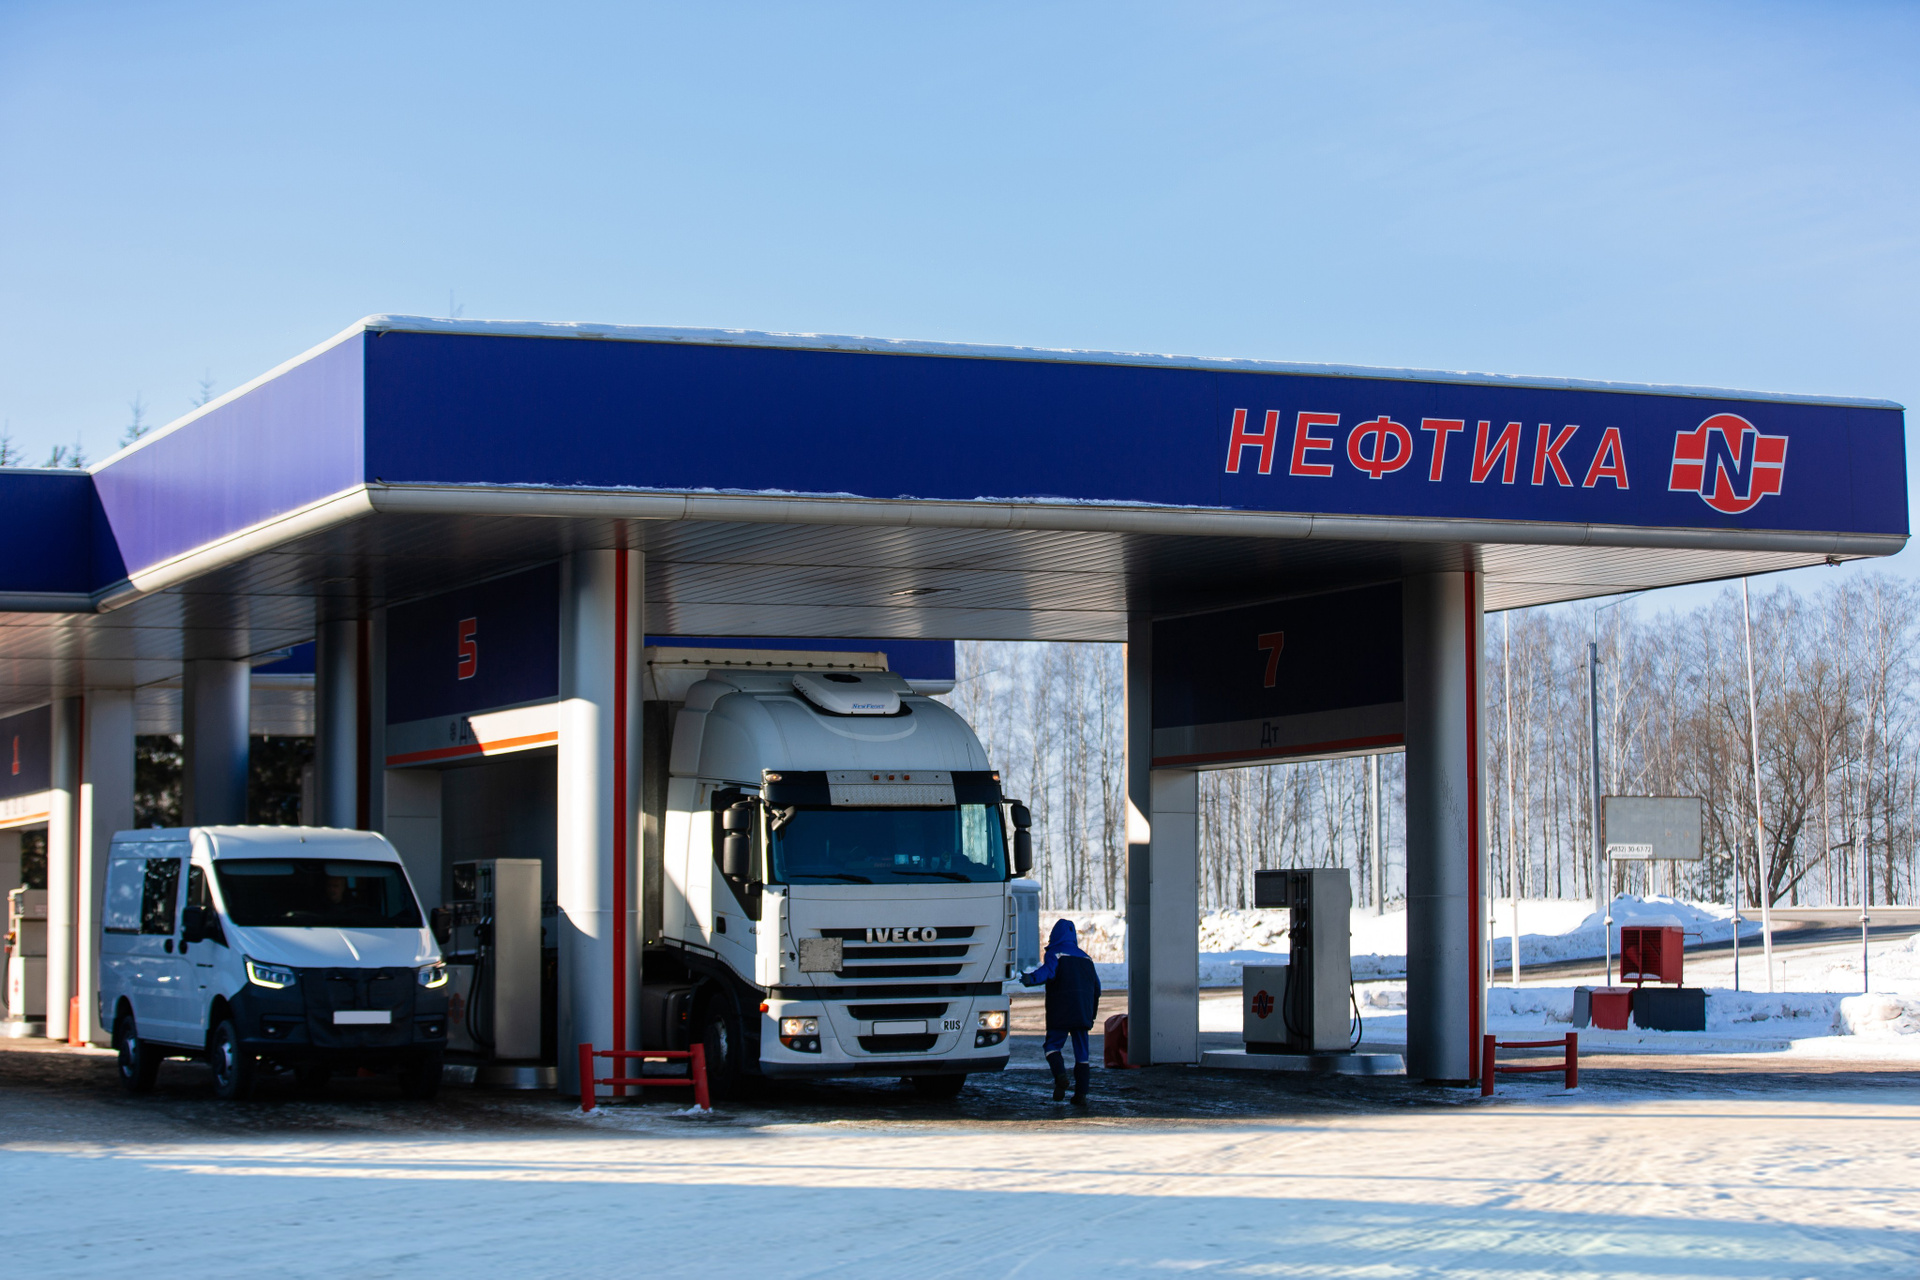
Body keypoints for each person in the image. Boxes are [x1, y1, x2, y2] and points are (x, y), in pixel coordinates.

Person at [1020, 919, 1101, 1104]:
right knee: (1082, 1054)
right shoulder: (1087, 959)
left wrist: (1030, 979)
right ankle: (1081, 1094)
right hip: (1082, 1012)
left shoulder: (1055, 954)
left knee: (1052, 1046)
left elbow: (1047, 972)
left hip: (1061, 1011)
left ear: (1054, 935)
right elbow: (1097, 988)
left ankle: (1060, 1076)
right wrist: (1091, 1014)